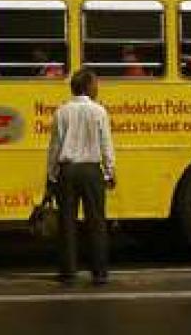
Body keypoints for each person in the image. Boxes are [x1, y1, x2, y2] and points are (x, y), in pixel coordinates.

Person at [46, 68, 116, 286]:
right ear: (87, 87)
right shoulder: (99, 111)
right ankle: (99, 272)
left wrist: (51, 174)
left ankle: (68, 271)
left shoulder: (62, 112)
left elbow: (55, 147)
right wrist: (110, 171)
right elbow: (106, 144)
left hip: (67, 171)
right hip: (91, 170)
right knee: (96, 221)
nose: (97, 88)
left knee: (67, 222)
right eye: (95, 84)